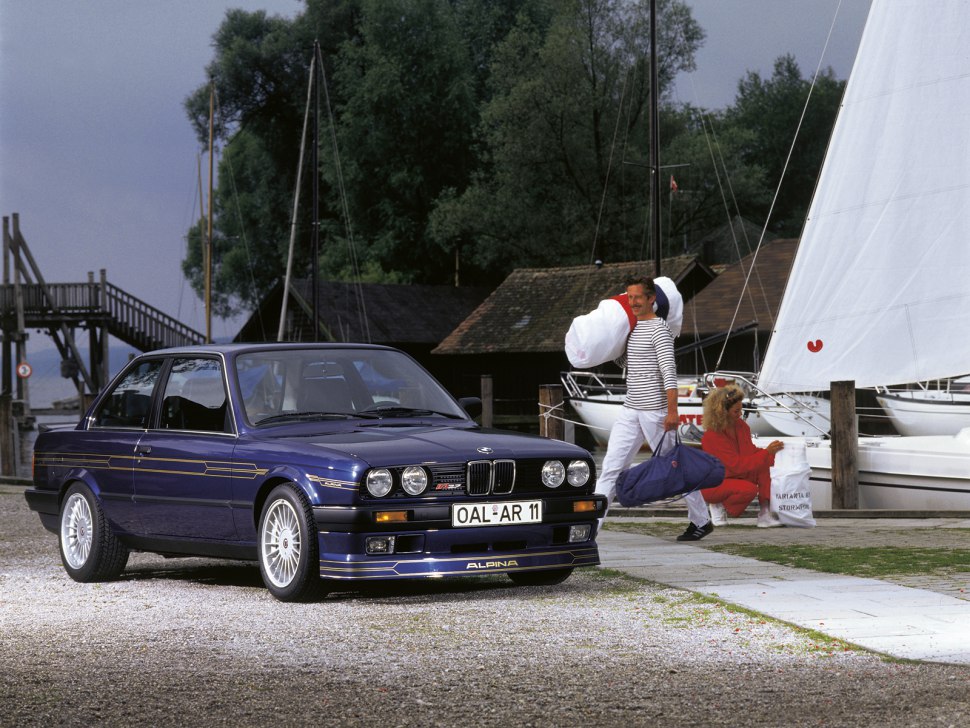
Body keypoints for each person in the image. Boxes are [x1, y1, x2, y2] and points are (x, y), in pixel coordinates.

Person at [595, 276, 713, 541]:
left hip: (656, 411)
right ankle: (590, 530)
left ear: (651, 299)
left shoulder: (660, 330)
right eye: (629, 297)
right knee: (611, 467)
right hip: (631, 408)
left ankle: (701, 520)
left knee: (675, 467)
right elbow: (625, 361)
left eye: (637, 297)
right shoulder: (632, 328)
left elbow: (668, 372)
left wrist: (673, 412)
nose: (633, 302)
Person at [700, 384, 784, 528]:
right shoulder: (712, 435)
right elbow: (736, 466)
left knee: (766, 463)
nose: (740, 414)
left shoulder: (741, 426)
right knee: (749, 489)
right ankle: (718, 503)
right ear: (722, 412)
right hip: (714, 484)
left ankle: (765, 513)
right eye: (736, 411)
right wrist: (766, 452)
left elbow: (749, 452)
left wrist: (771, 453)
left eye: (741, 409)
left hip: (735, 476)